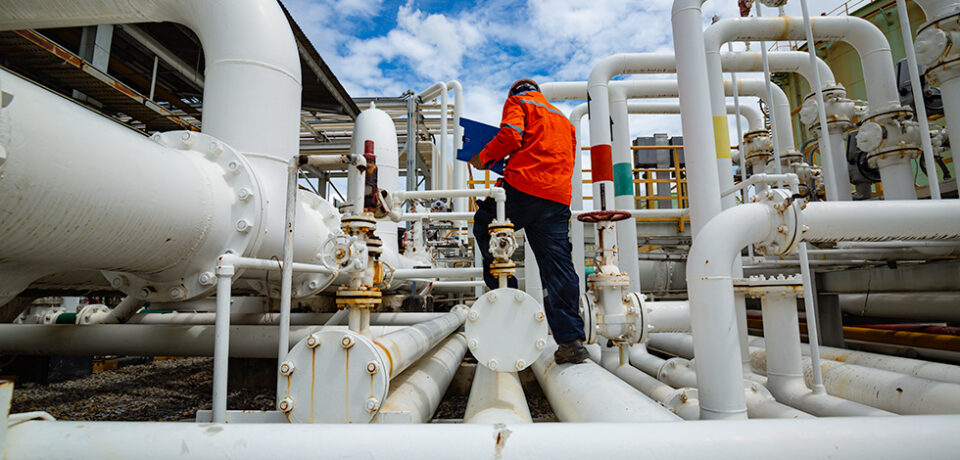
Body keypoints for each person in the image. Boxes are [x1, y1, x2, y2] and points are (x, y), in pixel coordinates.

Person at [469, 78, 588, 364]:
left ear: (514, 93)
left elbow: (511, 135)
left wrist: (484, 157)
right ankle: (571, 341)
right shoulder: (564, 121)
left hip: (524, 188)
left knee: (485, 226)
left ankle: (507, 293)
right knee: (558, 267)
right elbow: (567, 158)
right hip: (557, 197)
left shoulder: (518, 102)